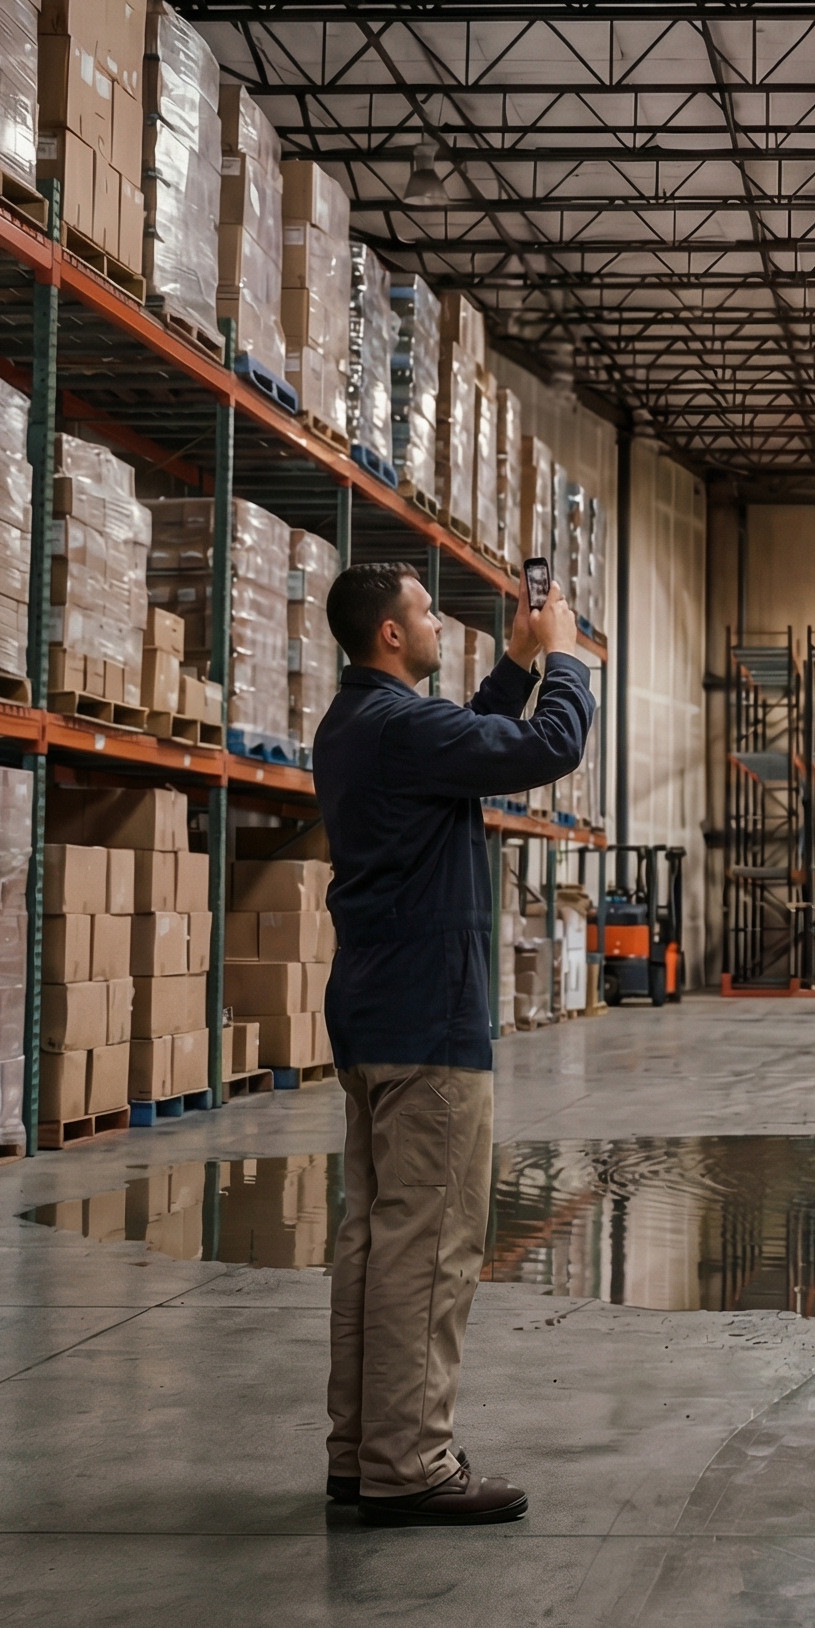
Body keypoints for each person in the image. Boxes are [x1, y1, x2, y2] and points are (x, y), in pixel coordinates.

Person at [312, 560, 593, 1527]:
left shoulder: (358, 725)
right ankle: (412, 1464)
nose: (439, 623)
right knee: (430, 1249)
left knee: (374, 1242)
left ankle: (361, 1452)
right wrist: (564, 660)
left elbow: (467, 738)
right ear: (391, 634)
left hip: (372, 1019)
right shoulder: (401, 729)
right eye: (427, 613)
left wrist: (516, 663)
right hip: (429, 1028)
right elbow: (544, 747)